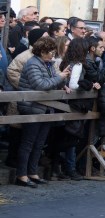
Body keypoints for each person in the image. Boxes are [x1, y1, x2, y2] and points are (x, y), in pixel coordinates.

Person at [15, 37, 71, 187]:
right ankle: (21, 175)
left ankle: (32, 172)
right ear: (42, 51)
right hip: (31, 106)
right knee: (28, 143)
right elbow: (40, 85)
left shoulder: (48, 64)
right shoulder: (33, 64)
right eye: (51, 52)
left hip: (45, 107)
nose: (53, 54)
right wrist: (59, 77)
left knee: (39, 143)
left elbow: (54, 81)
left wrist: (63, 81)